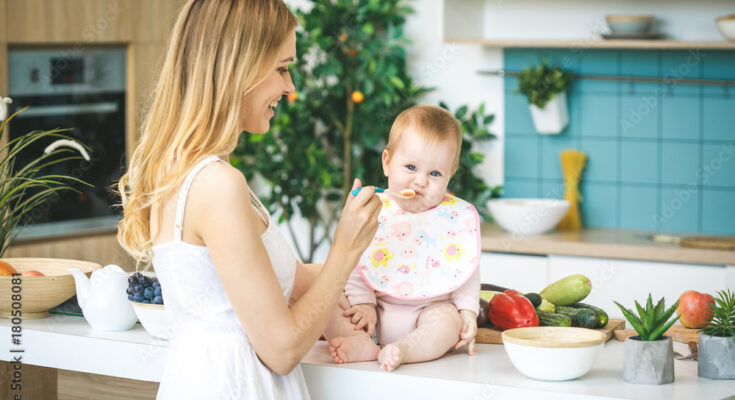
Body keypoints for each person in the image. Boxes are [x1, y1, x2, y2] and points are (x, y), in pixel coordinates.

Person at [114, 1, 382, 398]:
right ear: (239, 67)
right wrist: (346, 247)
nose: (290, 87)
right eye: (281, 67)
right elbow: (282, 348)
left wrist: (392, 285)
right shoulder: (218, 184)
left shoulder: (188, 171)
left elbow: (280, 280)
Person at [324, 105, 481, 371]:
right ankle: (361, 342)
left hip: (428, 310)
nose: (420, 181)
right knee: (327, 303)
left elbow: (465, 268)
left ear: (449, 175)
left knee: (447, 320)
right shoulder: (373, 210)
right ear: (387, 162)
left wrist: (468, 311)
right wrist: (363, 304)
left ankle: (406, 349)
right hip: (375, 308)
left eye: (435, 174)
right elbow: (353, 260)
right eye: (410, 167)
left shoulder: (454, 218)